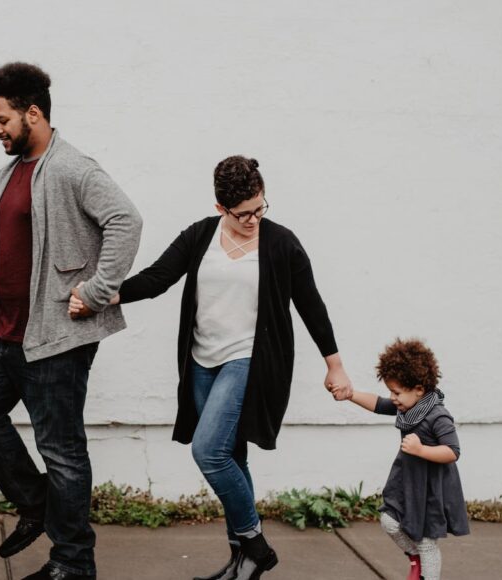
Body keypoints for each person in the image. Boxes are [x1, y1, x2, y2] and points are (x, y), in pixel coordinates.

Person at [70, 156, 353, 580]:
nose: (254, 219)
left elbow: (311, 305)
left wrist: (336, 367)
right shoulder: (201, 235)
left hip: (249, 360)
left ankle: (255, 544)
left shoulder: (281, 243)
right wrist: (102, 296)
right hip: (202, 362)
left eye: (261, 208)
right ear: (221, 208)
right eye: (244, 214)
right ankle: (242, 563)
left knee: (209, 451)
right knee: (232, 457)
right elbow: (156, 278)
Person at [0, 62, 142, 580]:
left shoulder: (73, 168)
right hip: (0, 328)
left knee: (62, 451)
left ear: (33, 113)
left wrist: (98, 292)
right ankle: (37, 504)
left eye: (2, 119)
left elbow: (127, 220)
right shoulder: (10, 170)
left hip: (55, 337)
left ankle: (74, 563)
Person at [342, 338, 469, 580]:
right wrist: (350, 394)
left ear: (419, 389)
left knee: (426, 541)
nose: (393, 397)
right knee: (389, 521)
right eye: (391, 391)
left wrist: (422, 450)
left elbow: (453, 451)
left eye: (397, 392)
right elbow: (378, 404)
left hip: (430, 488)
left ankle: (425, 571)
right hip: (409, 482)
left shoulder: (437, 415)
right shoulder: (408, 406)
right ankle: (415, 557)